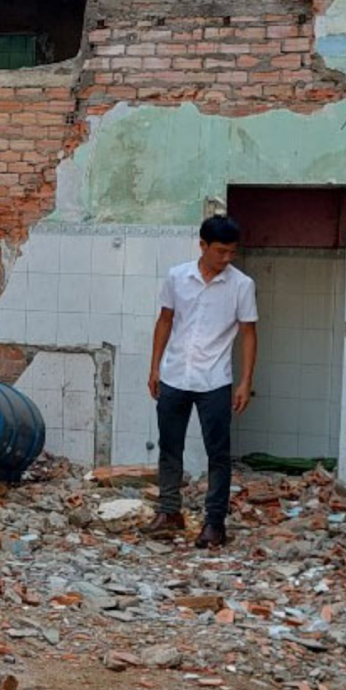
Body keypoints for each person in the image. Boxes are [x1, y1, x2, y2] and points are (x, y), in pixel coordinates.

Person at [147, 214, 259, 548]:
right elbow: (164, 321)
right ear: (203, 245)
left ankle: (214, 524)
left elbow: (249, 334)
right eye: (220, 251)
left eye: (231, 253)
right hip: (175, 374)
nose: (226, 258)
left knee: (218, 454)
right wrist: (154, 367)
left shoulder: (242, 285)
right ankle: (169, 512)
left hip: (215, 379)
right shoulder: (177, 277)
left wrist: (245, 381)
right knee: (170, 447)